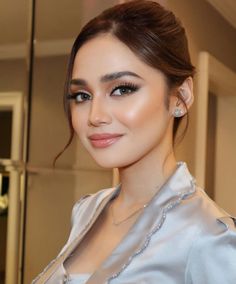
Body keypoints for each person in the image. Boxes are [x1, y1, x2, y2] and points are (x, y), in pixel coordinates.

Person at [33, 1, 236, 283]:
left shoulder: (210, 237)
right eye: (82, 95)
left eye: (122, 89)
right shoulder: (87, 211)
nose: (95, 116)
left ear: (181, 97)